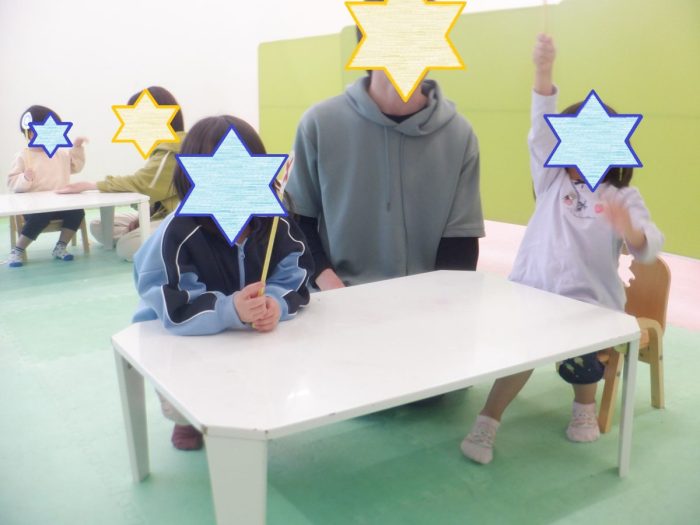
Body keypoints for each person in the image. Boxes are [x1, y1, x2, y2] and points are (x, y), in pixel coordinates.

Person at [460, 34, 664, 465]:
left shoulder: (622, 196)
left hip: (591, 305)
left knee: (585, 362)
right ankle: (488, 420)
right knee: (519, 356)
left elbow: (648, 246)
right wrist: (543, 73)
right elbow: (539, 128)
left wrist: (632, 231)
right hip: (534, 294)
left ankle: (583, 407)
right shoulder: (551, 181)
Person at [131, 115, 314, 450]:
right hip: (177, 331)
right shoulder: (178, 232)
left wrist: (275, 302)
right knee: (184, 379)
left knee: (270, 367)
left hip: (244, 332)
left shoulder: (272, 222)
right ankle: (184, 417)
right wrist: (231, 309)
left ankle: (247, 404)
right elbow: (175, 303)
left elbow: (296, 270)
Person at [286, 26, 484, 291]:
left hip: (425, 301)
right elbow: (299, 222)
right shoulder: (319, 124)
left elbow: (461, 242)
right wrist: (334, 288)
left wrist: (437, 303)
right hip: (338, 298)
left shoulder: (459, 134)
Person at [58, 86, 185, 261]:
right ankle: (149, 237)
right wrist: (144, 218)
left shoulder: (172, 149)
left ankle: (176, 247)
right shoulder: (165, 146)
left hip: (181, 219)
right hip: (164, 214)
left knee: (125, 247)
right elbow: (160, 189)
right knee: (99, 225)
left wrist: (92, 185)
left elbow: (144, 184)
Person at [6, 105, 87, 267]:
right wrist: (24, 178)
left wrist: (77, 148)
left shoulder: (60, 153)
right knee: (41, 215)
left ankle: (61, 246)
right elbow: (12, 183)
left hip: (60, 203)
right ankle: (18, 250)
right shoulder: (23, 155)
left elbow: (76, 167)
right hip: (34, 207)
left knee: (77, 211)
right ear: (30, 133)